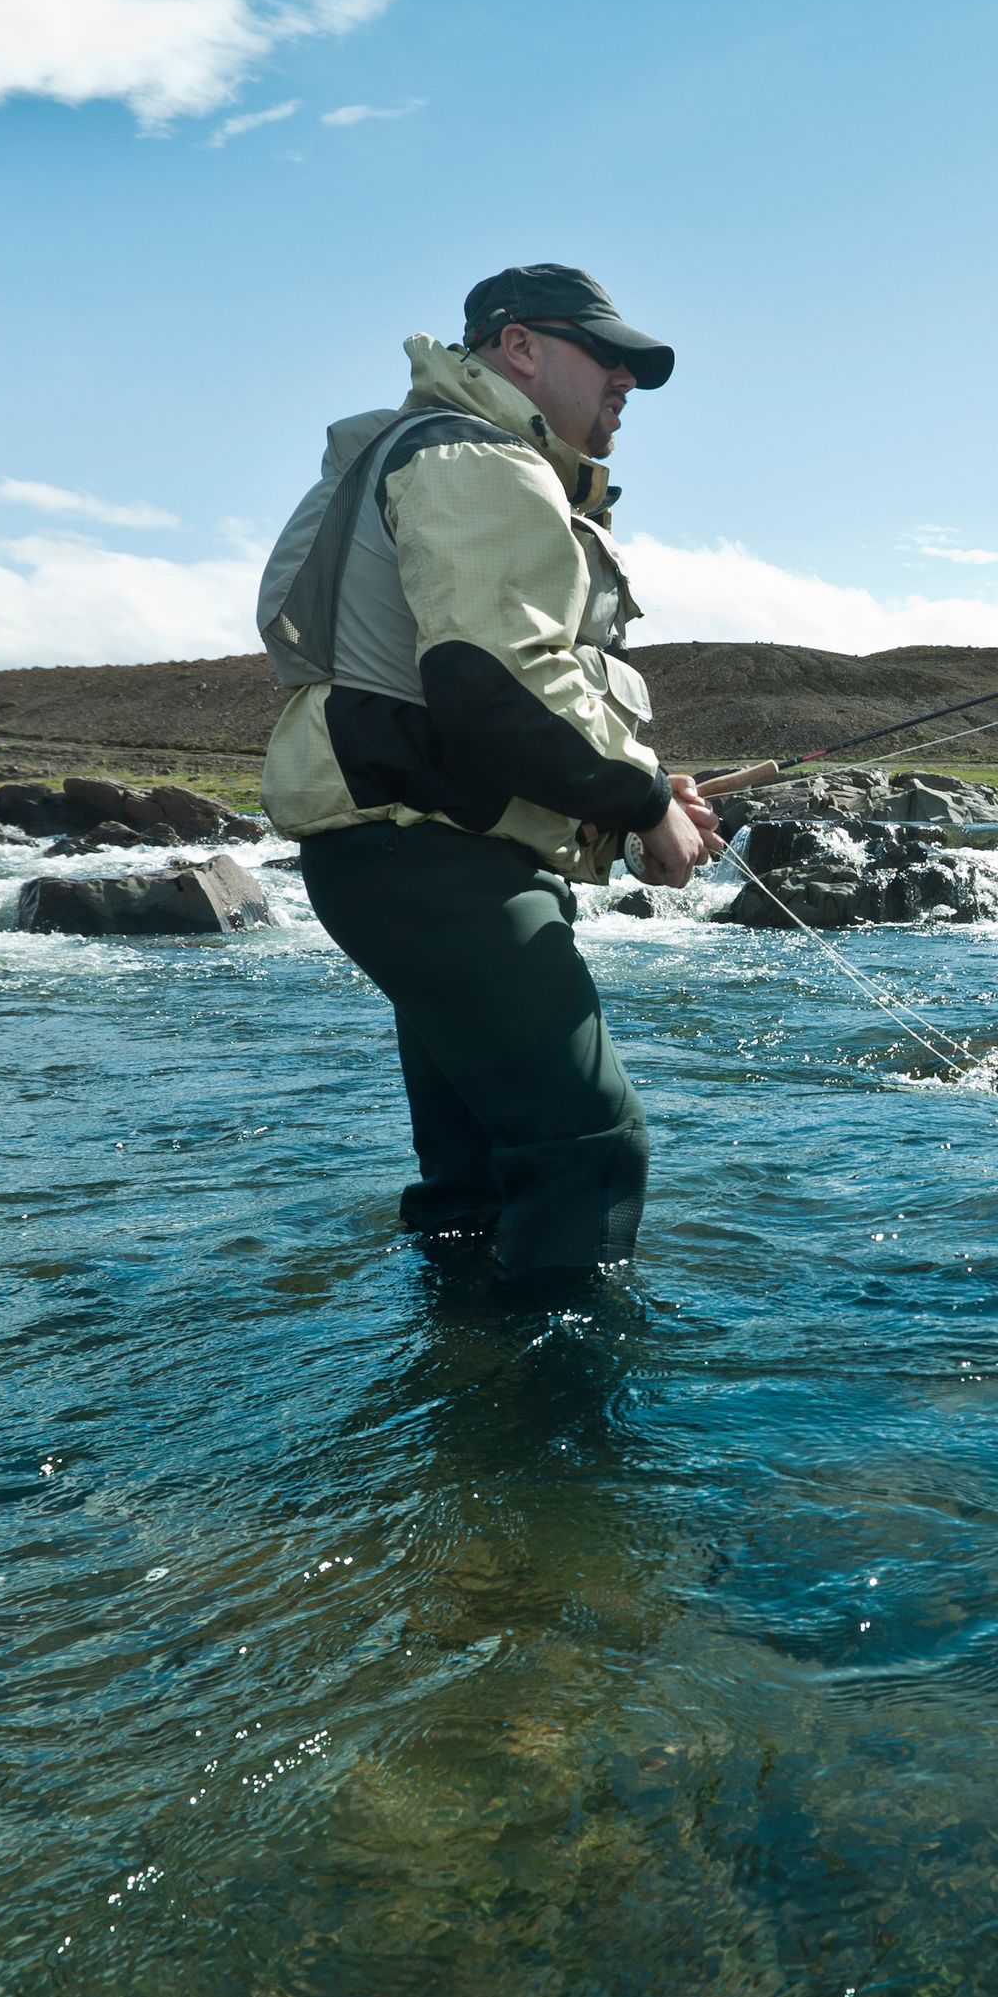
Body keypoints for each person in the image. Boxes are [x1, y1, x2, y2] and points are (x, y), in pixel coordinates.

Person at [257, 264, 724, 1275]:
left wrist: (635, 790)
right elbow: (487, 686)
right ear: (519, 348)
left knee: (476, 1176)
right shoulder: (479, 459)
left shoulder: (435, 453)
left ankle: (463, 1401)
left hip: (402, 858)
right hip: (437, 866)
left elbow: (483, 693)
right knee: (587, 1150)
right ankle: (560, 1432)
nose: (625, 381)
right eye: (608, 355)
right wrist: (643, 804)